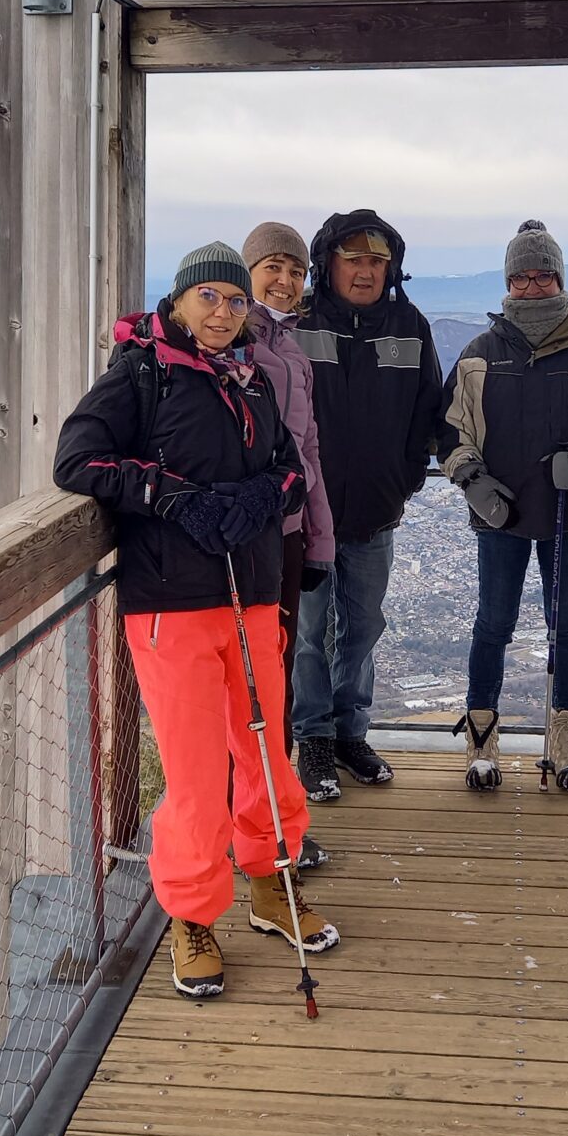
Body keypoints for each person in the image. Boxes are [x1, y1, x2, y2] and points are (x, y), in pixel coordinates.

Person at [52, 242, 340, 1000]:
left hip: (252, 596)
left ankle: (271, 883)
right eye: (209, 296)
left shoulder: (252, 380)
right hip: (171, 603)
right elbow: (77, 461)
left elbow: (291, 468)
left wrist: (262, 497)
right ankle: (191, 915)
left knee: (267, 755)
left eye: (236, 301)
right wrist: (168, 496)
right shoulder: (141, 373)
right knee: (195, 773)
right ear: (178, 301)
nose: (224, 312)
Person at [438, 220, 568, 792]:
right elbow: (450, 428)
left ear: (559, 278)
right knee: (493, 625)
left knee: (565, 627)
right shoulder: (480, 352)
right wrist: (471, 479)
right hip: (499, 511)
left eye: (542, 275)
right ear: (507, 283)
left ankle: (564, 743)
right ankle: (482, 745)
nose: (531, 286)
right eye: (521, 277)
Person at [291, 209, 444, 802]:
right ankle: (314, 738)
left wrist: (404, 478)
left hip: (375, 510)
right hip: (307, 515)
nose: (365, 270)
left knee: (363, 627)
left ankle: (351, 733)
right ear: (327, 264)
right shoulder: (301, 321)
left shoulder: (409, 325)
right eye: (353, 258)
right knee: (309, 633)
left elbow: (428, 407)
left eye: (377, 261)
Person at [242, 222, 336, 870]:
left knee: (272, 684)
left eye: (297, 271)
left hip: (289, 537)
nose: (285, 280)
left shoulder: (292, 351)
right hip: (245, 540)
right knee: (252, 688)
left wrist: (318, 540)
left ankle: (273, 824)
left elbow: (309, 454)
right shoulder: (233, 342)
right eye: (273, 266)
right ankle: (261, 829)